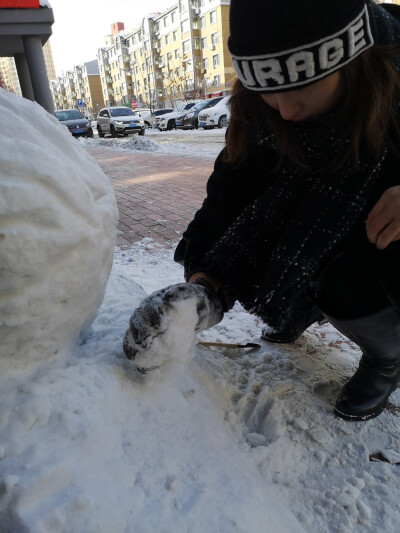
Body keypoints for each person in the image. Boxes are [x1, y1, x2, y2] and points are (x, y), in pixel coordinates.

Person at [124, 0, 400, 422]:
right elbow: (228, 197)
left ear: (349, 58)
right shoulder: (260, 112)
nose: (285, 111)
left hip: (378, 242)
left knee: (350, 275)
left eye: (299, 88)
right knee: (299, 241)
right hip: (326, 230)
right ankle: (306, 298)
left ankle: (388, 356)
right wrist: (203, 290)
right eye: (269, 92)